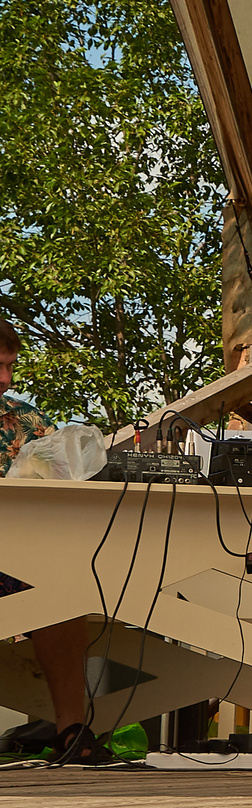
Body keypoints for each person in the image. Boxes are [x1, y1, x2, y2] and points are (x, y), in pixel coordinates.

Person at [0, 324, 102, 764]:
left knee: (62, 587)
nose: (5, 378)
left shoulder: (24, 418)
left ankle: (71, 732)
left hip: (21, 554)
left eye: (8, 365)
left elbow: (64, 480)